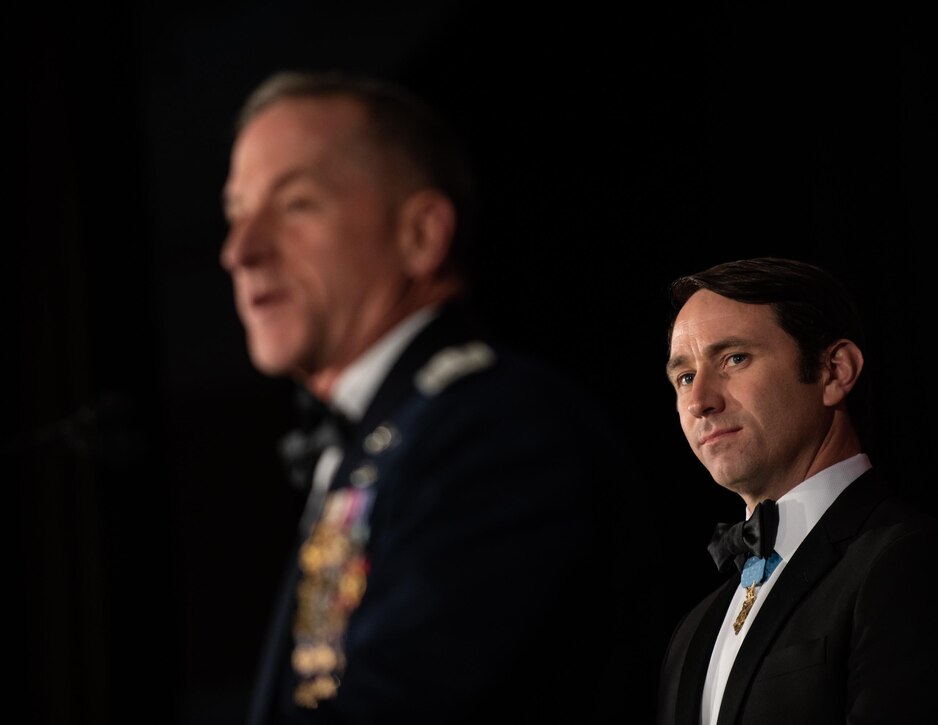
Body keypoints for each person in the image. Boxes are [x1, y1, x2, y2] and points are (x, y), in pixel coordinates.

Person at [219, 69, 657, 725]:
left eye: (296, 204)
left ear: (421, 235)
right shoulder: (393, 428)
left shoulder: (498, 431)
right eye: (235, 213)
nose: (240, 251)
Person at [655, 257, 938, 724]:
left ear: (834, 371)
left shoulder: (910, 562)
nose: (700, 400)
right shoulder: (692, 629)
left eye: (734, 359)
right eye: (684, 377)